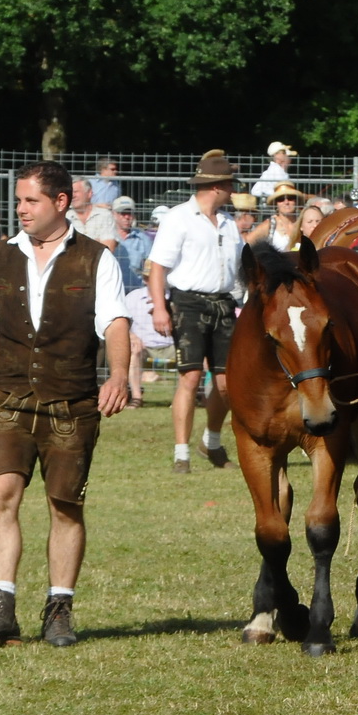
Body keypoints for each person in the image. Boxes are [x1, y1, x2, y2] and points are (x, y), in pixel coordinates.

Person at [0, 161, 130, 648]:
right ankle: (0, 609)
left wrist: (118, 375)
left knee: (65, 505)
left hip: (71, 404)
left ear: (61, 203)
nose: (21, 209)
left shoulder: (97, 258)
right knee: (0, 495)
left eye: (31, 201)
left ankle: (59, 610)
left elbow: (114, 322)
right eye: (19, 200)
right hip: (7, 398)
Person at [147, 150, 242, 473]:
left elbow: (240, 268)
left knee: (227, 383)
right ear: (216, 186)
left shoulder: (229, 224)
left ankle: (210, 443)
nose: (233, 189)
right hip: (187, 303)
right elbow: (158, 268)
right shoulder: (178, 218)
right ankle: (181, 454)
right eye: (230, 183)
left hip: (223, 304)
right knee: (190, 377)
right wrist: (160, 308)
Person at [110, 196, 151, 292]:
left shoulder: (143, 239)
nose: (127, 217)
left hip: (135, 292)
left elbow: (151, 268)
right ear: (114, 214)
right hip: (111, 291)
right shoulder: (107, 237)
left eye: (130, 213)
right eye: (123, 213)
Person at [247, 183, 302, 251]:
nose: (286, 202)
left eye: (290, 198)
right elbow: (247, 242)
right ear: (276, 203)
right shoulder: (269, 225)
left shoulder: (302, 223)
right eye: (281, 199)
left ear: (296, 201)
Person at [69, 178, 118, 250]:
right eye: (71, 192)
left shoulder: (104, 215)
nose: (73, 196)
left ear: (89, 193)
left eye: (76, 192)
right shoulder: (65, 217)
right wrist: (96, 242)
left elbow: (108, 248)